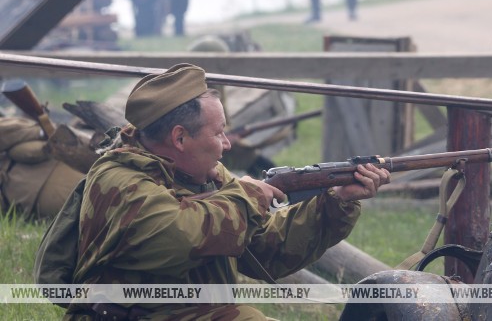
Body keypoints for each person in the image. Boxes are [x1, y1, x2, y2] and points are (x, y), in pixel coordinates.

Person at [62, 64, 389, 320]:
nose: (228, 144)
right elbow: (180, 236)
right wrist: (248, 196)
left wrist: (337, 201)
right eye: (219, 132)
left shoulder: (206, 176)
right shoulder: (118, 180)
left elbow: (267, 250)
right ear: (179, 139)